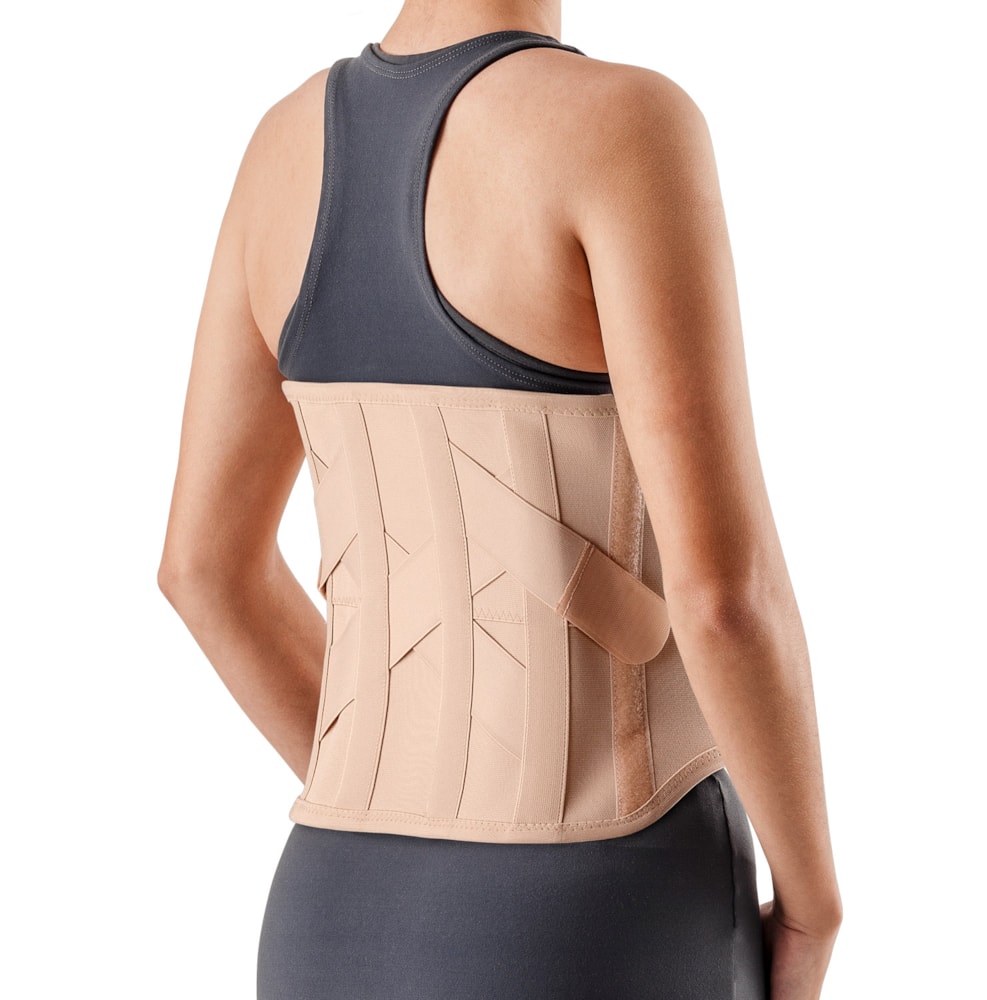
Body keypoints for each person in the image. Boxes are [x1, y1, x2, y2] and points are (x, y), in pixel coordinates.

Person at [157, 1, 843, 997]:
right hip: (600, 907)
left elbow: (204, 570)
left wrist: (411, 780)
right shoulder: (623, 125)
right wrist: (813, 907)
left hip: (330, 911)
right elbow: (725, 600)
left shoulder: (281, 149)